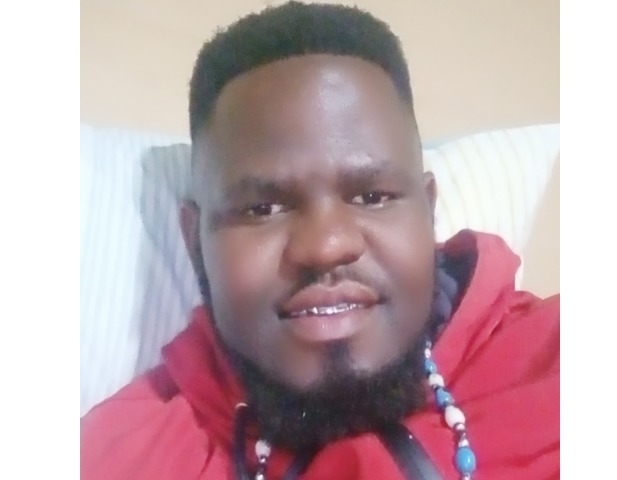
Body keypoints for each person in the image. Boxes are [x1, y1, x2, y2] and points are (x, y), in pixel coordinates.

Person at [80, 2, 559, 479]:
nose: (326, 246)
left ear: (427, 213)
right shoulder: (115, 460)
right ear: (195, 244)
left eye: (373, 196)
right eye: (262, 209)